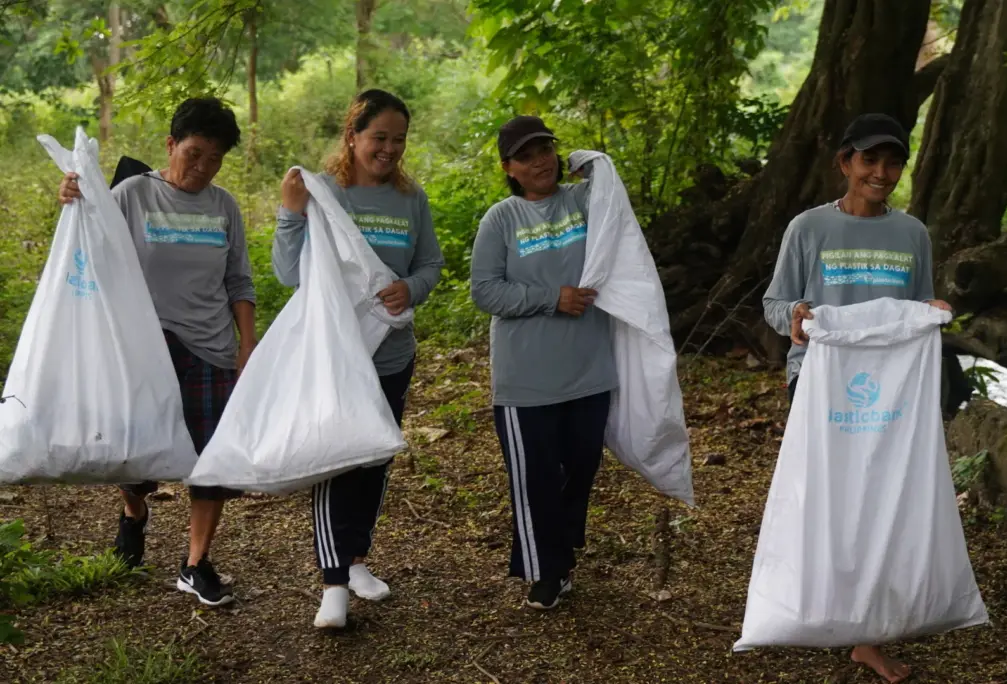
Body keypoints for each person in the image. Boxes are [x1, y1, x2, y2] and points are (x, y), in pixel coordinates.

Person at [762, 112, 952, 683]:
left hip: (893, 392)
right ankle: (820, 605)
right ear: (845, 163)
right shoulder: (809, 228)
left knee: (881, 502)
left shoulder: (911, 233)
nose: (881, 172)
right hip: (820, 382)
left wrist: (935, 311)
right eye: (869, 160)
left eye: (892, 162)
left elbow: (917, 309)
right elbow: (775, 303)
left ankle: (866, 631)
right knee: (829, 499)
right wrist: (794, 316)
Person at [58, 97, 256, 607]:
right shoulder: (131, 195)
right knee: (133, 457)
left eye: (214, 158)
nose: (202, 167)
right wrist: (73, 197)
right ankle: (133, 511)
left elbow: (239, 280)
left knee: (210, 462)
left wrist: (247, 345)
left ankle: (195, 564)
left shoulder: (224, 206)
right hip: (142, 347)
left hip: (210, 346)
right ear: (170, 145)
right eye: (193, 153)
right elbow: (88, 241)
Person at [274, 89, 443, 628]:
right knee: (336, 458)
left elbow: (431, 264)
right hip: (335, 354)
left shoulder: (410, 198)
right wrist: (289, 213)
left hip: (392, 353)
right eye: (378, 138)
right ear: (353, 136)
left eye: (398, 139)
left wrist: (410, 289)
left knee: (374, 456)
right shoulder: (325, 193)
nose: (389, 149)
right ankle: (332, 584)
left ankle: (356, 560)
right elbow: (286, 272)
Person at [469, 116, 616, 610]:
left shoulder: (581, 202)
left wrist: (588, 163)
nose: (540, 162)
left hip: (588, 369)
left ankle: (561, 550)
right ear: (508, 167)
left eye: (546, 150)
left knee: (581, 467)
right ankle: (546, 571)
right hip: (525, 380)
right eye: (526, 156)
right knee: (535, 479)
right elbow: (485, 290)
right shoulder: (502, 218)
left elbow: (616, 206)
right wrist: (552, 298)